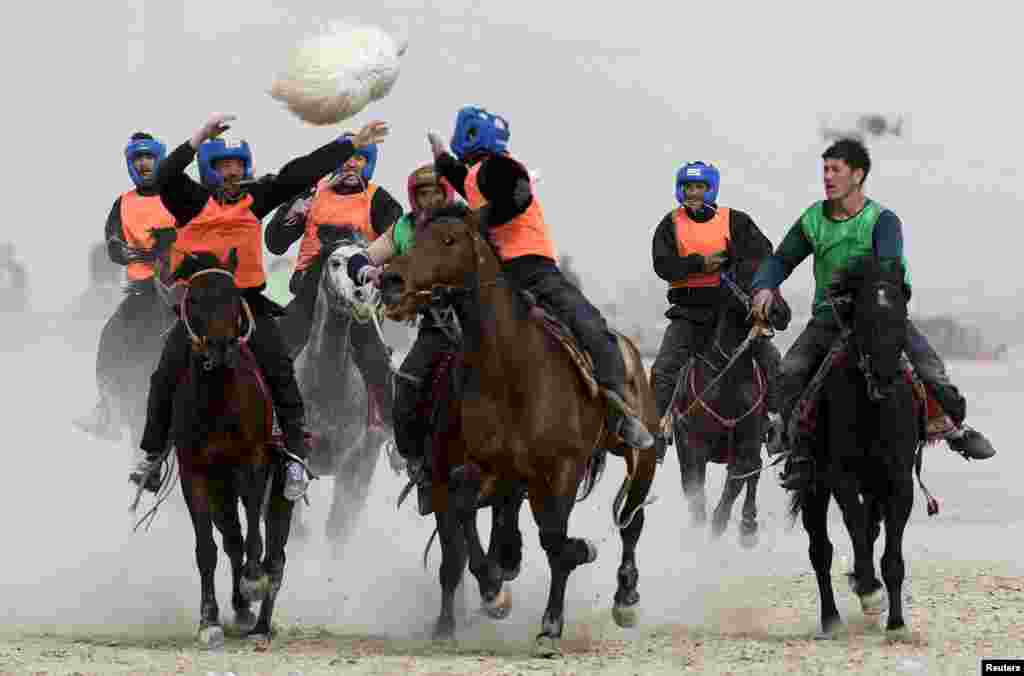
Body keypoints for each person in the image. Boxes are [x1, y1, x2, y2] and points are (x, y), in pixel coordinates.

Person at [131, 112, 389, 501]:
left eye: (238, 167)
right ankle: (153, 455)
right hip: (200, 306)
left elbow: (298, 173)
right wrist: (197, 137)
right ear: (210, 171)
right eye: (223, 168)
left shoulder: (256, 199)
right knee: (165, 371)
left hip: (247, 303)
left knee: (281, 372)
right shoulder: (191, 202)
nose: (232, 174)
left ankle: (293, 458)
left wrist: (348, 145)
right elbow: (165, 176)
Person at [750, 137, 996, 491]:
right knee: (790, 371)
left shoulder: (883, 220)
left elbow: (889, 267)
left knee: (930, 370)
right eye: (825, 170)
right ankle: (794, 449)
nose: (828, 177)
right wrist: (764, 286)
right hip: (828, 318)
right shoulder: (813, 220)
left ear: (858, 175)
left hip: (878, 316)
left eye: (836, 170)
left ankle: (953, 428)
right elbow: (781, 260)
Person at [429, 105, 654, 450]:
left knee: (587, 324)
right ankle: (618, 409)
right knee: (591, 326)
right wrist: (442, 158)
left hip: (524, 270)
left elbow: (517, 196)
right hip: (519, 273)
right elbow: (465, 180)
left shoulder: (498, 166)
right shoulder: (478, 174)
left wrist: (478, 217)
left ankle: (619, 412)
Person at [264, 133, 403, 428]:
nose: (352, 165)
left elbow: (398, 238)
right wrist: (291, 213)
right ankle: (267, 425)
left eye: (360, 159)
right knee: (272, 351)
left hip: (358, 301)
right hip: (307, 298)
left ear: (369, 164)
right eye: (346, 158)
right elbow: (275, 244)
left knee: (377, 362)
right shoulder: (312, 194)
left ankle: (393, 435)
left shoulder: (379, 199)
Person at [650, 161, 783, 460]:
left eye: (699, 187)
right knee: (663, 368)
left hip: (733, 313)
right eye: (688, 187)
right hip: (688, 314)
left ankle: (776, 427)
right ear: (679, 190)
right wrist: (699, 264)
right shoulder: (669, 224)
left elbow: (764, 253)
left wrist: (734, 261)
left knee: (772, 358)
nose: (693, 192)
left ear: (712, 190)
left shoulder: (736, 221)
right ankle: (657, 434)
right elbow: (662, 266)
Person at [347, 163, 458, 485]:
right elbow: (364, 256)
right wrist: (367, 271)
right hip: (436, 328)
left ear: (447, 193)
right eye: (422, 194)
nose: (429, 200)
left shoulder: (464, 223)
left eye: (435, 192)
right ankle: (417, 462)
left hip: (478, 322)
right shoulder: (404, 228)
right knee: (407, 383)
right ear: (413, 198)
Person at [75, 132, 178, 440]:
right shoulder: (123, 203)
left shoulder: (179, 195)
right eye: (138, 158)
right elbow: (112, 242)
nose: (144, 163)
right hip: (141, 292)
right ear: (131, 164)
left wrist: (168, 243)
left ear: (159, 159)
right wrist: (120, 249)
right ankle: (107, 410)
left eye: (149, 157)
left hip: (179, 287)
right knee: (109, 336)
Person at [0, 242, 28, 313]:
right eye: (3, 253)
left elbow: (22, 288)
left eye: (7, 253)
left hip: (14, 304)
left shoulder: (18, 269)